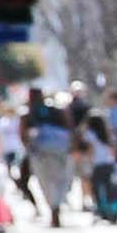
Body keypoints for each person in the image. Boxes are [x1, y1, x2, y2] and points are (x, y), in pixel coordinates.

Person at [21, 86, 73, 224]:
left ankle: (53, 207)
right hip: (60, 150)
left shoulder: (28, 113)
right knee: (61, 179)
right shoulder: (56, 110)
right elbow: (68, 127)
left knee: (46, 182)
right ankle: (56, 206)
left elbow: (23, 134)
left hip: (40, 153)